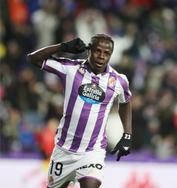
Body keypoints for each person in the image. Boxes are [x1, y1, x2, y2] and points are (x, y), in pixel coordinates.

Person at [27, 34, 132, 188]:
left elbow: (125, 102)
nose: (101, 56)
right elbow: (33, 58)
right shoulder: (70, 68)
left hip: (92, 152)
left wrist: (127, 134)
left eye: (106, 53)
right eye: (97, 51)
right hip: (64, 151)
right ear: (89, 50)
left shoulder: (118, 80)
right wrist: (63, 47)